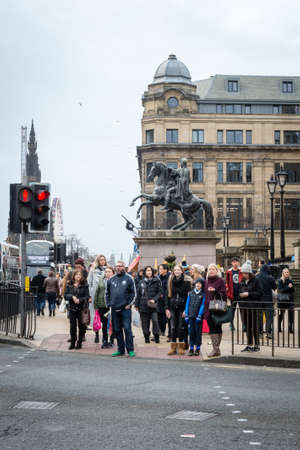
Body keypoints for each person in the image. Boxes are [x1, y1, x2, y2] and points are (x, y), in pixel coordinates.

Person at [106, 260, 136, 357]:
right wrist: (108, 304)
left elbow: (134, 293)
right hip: (114, 309)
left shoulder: (129, 278)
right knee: (117, 330)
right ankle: (120, 349)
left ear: (124, 267)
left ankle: (130, 350)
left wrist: (129, 304)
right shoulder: (111, 279)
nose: (118, 267)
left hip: (125, 309)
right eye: (117, 266)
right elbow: (107, 293)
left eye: (120, 266)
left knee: (127, 329)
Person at [166, 265, 192, 356]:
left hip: (182, 307)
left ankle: (181, 346)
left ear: (182, 271)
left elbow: (189, 297)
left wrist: (186, 310)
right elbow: (167, 296)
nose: (176, 271)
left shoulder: (186, 282)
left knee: (181, 327)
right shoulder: (170, 281)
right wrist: (167, 309)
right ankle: (173, 347)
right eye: (175, 270)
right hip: (172, 307)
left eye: (178, 269)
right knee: (173, 327)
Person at [239, 260, 263, 352]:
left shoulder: (256, 280)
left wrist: (248, 294)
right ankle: (249, 345)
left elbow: (260, 293)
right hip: (244, 308)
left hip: (253, 307)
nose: (244, 275)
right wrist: (241, 295)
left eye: (245, 273)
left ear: (249, 272)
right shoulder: (242, 280)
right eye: (243, 273)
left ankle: (257, 345)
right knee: (247, 327)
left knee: (254, 326)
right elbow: (240, 292)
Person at [204, 264, 226, 357]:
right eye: (209, 269)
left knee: (217, 328)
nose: (211, 270)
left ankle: (216, 349)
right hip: (208, 308)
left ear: (217, 271)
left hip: (217, 308)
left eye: (213, 269)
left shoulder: (220, 281)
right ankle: (216, 349)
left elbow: (224, 294)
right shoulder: (206, 281)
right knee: (212, 329)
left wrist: (216, 292)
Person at [135, 266, 162, 344]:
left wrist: (154, 299)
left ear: (152, 272)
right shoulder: (141, 282)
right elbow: (138, 294)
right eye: (147, 271)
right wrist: (136, 305)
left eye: (150, 270)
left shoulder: (157, 281)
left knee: (155, 321)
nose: (149, 272)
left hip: (153, 306)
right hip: (143, 305)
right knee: (145, 322)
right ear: (145, 272)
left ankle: (156, 336)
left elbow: (160, 292)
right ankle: (146, 336)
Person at [64, 269, 90, 350]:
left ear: (82, 276)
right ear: (74, 276)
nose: (78, 276)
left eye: (80, 274)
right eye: (77, 274)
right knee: (72, 326)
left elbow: (87, 296)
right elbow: (65, 296)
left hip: (81, 309)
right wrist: (72, 297)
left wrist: (80, 300)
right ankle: (72, 342)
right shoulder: (69, 284)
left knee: (81, 326)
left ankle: (79, 342)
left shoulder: (85, 285)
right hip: (72, 309)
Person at [87, 255, 107, 342]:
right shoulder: (93, 270)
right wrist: (90, 295)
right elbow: (89, 283)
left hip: (105, 297)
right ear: (98, 261)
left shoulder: (107, 270)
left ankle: (105, 337)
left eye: (104, 260)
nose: (103, 261)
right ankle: (97, 335)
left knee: (105, 318)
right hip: (95, 296)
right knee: (96, 317)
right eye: (101, 260)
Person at [185, 278, 206, 357]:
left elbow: (203, 305)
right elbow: (187, 304)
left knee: (198, 333)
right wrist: (186, 315)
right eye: (197, 283)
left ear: (202, 285)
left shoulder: (203, 294)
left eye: (200, 283)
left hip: (198, 317)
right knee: (191, 332)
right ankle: (191, 348)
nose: (198, 284)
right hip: (190, 316)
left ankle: (197, 348)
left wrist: (200, 315)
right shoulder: (190, 293)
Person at [256, 263, 276, 338]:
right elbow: (274, 287)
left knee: (259, 317)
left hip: (259, 299)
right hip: (268, 300)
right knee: (269, 317)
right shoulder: (270, 277)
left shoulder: (257, 277)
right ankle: (269, 332)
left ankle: (260, 333)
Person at [226, 257, 243, 328]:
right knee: (232, 310)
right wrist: (228, 293)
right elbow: (227, 283)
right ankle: (231, 323)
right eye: (233, 262)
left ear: (238, 263)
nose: (235, 263)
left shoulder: (241, 271)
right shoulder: (229, 272)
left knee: (242, 310)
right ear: (231, 263)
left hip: (241, 294)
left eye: (236, 262)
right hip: (232, 294)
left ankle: (244, 325)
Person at [277, 268, 295, 333]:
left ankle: (290, 328)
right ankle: (279, 327)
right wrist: (288, 287)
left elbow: (293, 290)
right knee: (281, 315)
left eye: (287, 272)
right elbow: (280, 290)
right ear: (283, 273)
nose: (287, 273)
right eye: (285, 272)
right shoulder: (280, 281)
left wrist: (291, 287)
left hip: (290, 300)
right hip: (283, 300)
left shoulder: (290, 280)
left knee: (291, 315)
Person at [158, 264, 170, 338]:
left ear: (165, 270)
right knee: (159, 315)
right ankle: (161, 331)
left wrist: (164, 294)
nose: (160, 270)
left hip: (167, 299)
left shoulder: (169, 277)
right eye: (159, 269)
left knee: (166, 316)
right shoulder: (158, 277)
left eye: (161, 269)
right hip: (159, 299)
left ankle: (169, 333)